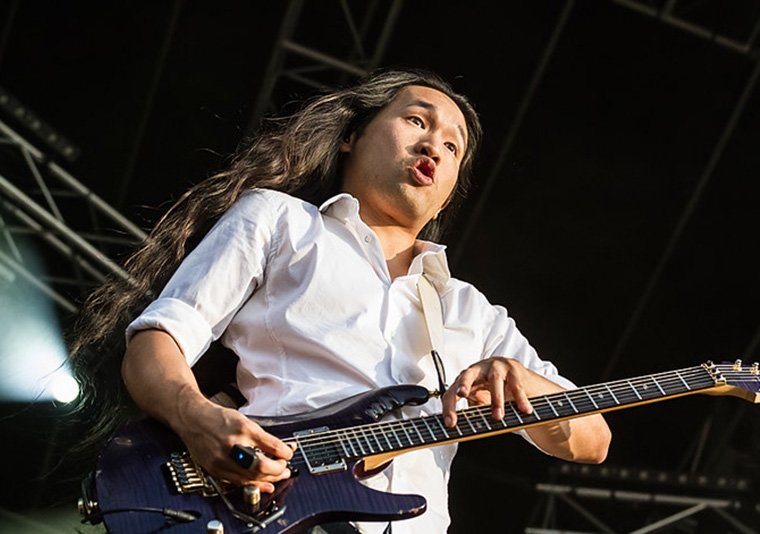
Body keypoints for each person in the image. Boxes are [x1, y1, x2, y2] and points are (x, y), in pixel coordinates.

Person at [71, 69, 610, 534]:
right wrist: (196, 418)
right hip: (265, 509)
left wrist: (520, 377)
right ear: (352, 135)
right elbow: (156, 340)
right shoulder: (280, 221)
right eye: (418, 122)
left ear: (451, 189)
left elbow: (592, 440)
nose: (433, 147)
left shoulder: (471, 311)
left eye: (453, 147)